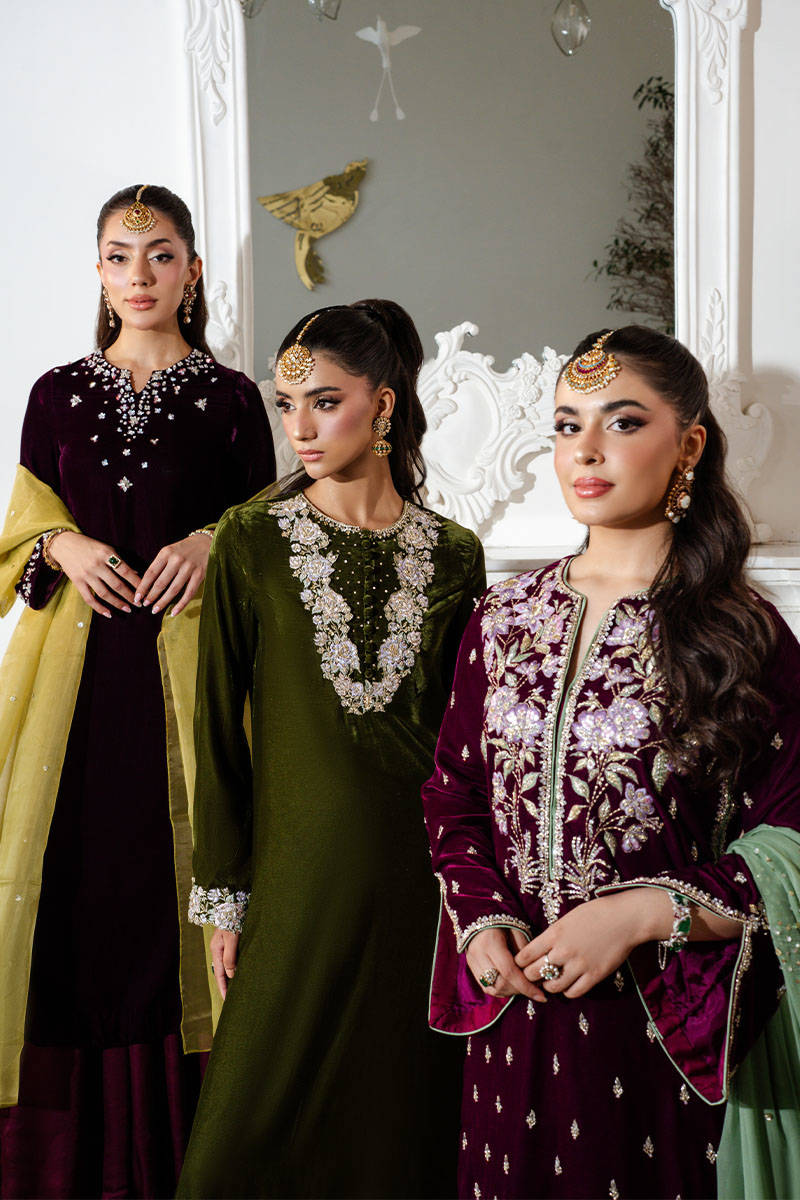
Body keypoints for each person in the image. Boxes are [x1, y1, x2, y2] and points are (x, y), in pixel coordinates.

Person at [422, 326, 800, 1199]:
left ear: (689, 446)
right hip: (514, 1019)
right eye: (567, 424)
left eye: (622, 422)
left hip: (667, 1026)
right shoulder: (502, 616)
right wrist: (479, 920)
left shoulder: (740, 634)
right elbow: (455, 789)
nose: (584, 450)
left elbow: (791, 835)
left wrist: (638, 913)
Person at [0, 184, 275, 1199]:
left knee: (173, 884)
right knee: (74, 885)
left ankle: (181, 1152)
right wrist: (60, 544)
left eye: (160, 254)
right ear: (99, 273)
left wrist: (210, 539)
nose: (140, 275)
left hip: (187, 677)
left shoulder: (234, 399)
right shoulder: (55, 394)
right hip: (74, 690)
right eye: (120, 256)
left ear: (192, 271)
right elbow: (25, 523)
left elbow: (270, 526)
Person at [176, 300, 485, 1199]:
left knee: (396, 1117)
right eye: (286, 405)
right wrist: (225, 893)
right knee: (242, 1137)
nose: (300, 428)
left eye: (324, 401)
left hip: (419, 881)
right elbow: (216, 730)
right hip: (296, 878)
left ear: (382, 405)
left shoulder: (454, 554)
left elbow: (463, 744)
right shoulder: (249, 539)